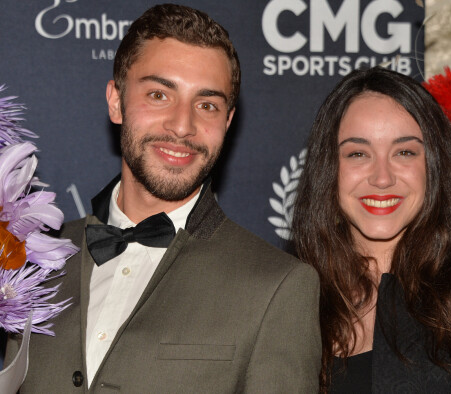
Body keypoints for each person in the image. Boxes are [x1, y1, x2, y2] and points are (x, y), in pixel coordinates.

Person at [6, 4, 321, 392]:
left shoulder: (278, 286)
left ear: (228, 121)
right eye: (159, 94)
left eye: (207, 104)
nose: (182, 125)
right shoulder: (30, 263)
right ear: (116, 101)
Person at [292, 67, 451, 393]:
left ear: (433, 165)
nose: (382, 178)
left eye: (404, 152)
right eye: (358, 153)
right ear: (329, 168)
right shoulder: (287, 294)